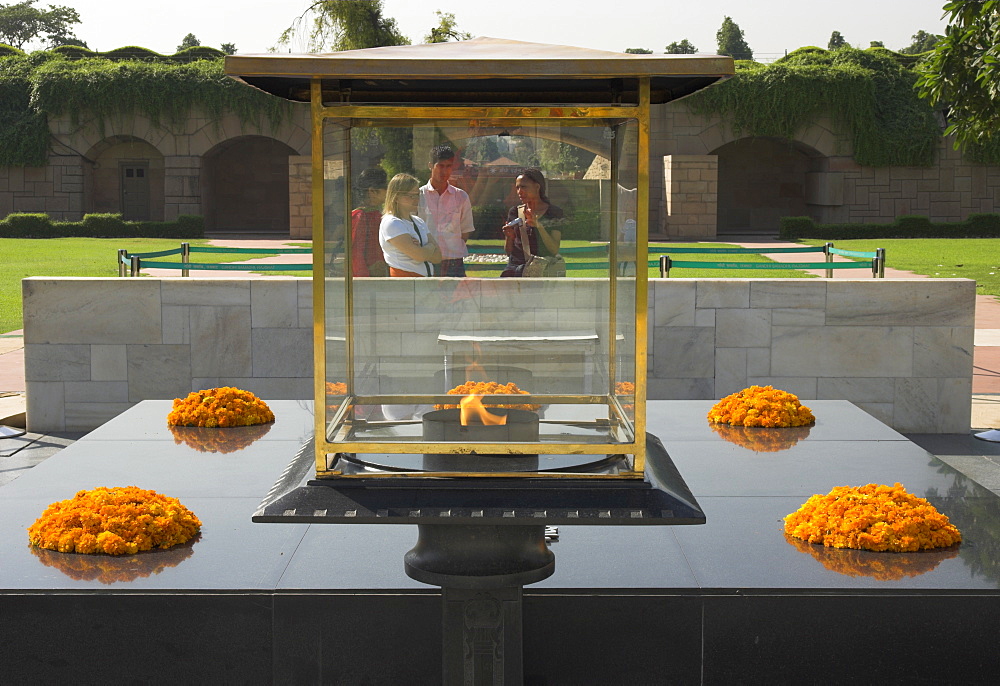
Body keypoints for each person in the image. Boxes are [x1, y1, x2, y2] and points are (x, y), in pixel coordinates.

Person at [418, 145, 475, 277]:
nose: (444, 171)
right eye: (440, 166)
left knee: (459, 298)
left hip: (454, 263)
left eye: (448, 166)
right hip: (426, 260)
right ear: (430, 166)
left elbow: (465, 232)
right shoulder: (418, 196)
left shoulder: (461, 197)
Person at [500, 168, 564, 277]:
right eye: (517, 187)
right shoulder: (514, 212)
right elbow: (509, 252)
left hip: (541, 271)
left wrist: (539, 226)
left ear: (537, 187)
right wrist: (509, 237)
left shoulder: (554, 212)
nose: (519, 191)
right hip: (515, 270)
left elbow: (553, 249)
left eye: (523, 187)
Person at [379, 173, 441, 277]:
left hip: (425, 284)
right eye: (410, 196)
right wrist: (430, 247)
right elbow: (420, 255)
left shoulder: (418, 221)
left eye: (417, 195)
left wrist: (422, 249)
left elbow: (438, 257)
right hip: (405, 283)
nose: (415, 199)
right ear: (396, 197)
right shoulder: (391, 222)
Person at [350, 167, 388, 277]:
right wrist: (363, 282)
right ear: (372, 191)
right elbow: (356, 254)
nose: (388, 191)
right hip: (367, 280)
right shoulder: (360, 216)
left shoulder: (379, 214)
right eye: (385, 187)